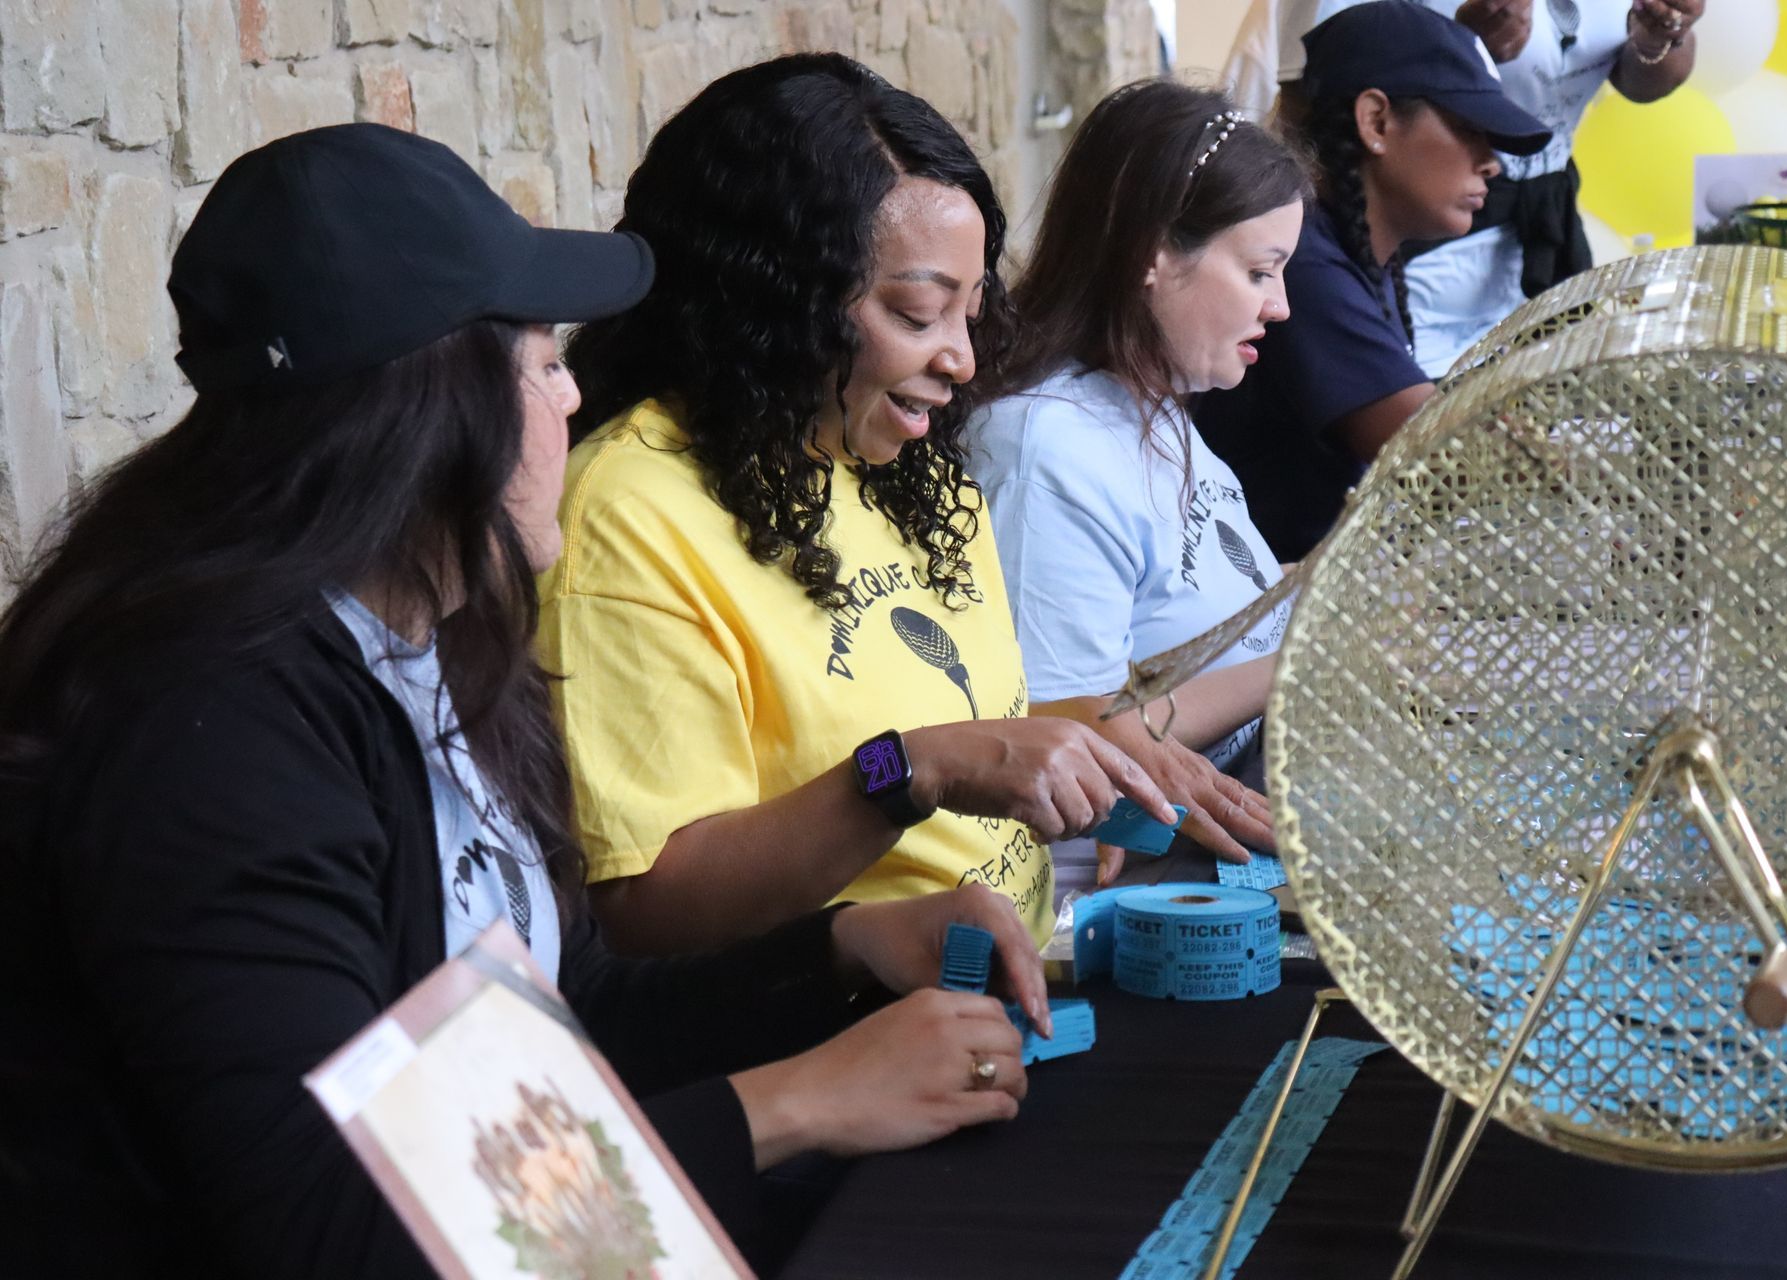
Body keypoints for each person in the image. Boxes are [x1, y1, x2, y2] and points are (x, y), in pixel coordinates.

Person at [0, 123, 1060, 1279]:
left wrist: (842, 949)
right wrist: (793, 1103)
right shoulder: (205, 729)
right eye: (544, 361)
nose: (571, 400)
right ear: (429, 414)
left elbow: (551, 1010)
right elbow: (330, 1222)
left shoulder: (424, 639)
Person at [545, 54, 1173, 957]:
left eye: (973, 309)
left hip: (1010, 995)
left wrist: (1102, 747)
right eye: (918, 315)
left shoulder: (902, 463)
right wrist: (908, 772)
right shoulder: (625, 516)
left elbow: (963, 721)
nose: (961, 358)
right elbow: (651, 903)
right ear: (775, 299)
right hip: (837, 1042)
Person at [966, 82, 1312, 891]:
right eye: (1261, 270)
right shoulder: (1046, 445)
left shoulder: (1147, 405)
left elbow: (1195, 620)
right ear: (1154, 254)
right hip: (1134, 883)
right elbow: (1066, 724)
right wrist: (1306, 655)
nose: (1282, 305)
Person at [1191, 1, 1553, 563]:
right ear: (1377, 122)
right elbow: (1457, 465)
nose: (1493, 162)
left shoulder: (1350, 249)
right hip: (1263, 619)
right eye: (1469, 129)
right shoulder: (1302, 263)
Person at [1254, 0, 1704, 376]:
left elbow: (1640, 78)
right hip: (1407, 233)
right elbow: (1311, 106)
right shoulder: (1323, 271)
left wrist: (1656, 36)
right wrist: (1461, 53)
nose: (1492, 159)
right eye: (1471, 128)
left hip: (1542, 222)